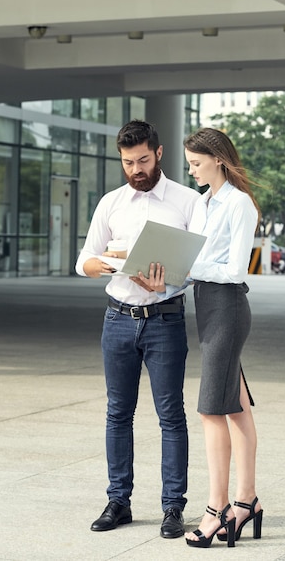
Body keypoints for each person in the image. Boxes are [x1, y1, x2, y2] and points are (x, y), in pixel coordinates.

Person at [137, 127, 264, 549]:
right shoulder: (206, 203)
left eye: (195, 163)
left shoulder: (239, 204)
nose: (190, 170)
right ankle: (247, 501)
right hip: (207, 308)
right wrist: (166, 282)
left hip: (227, 308)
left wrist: (189, 268)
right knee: (237, 405)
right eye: (189, 164)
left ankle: (217, 510)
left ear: (218, 160)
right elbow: (196, 268)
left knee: (212, 409)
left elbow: (235, 270)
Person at [75, 119, 199, 538]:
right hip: (117, 319)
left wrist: (170, 280)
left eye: (142, 160)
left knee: (170, 416)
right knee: (117, 414)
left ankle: (172, 507)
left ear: (159, 154)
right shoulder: (111, 203)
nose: (135, 169)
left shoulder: (186, 202)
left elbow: (195, 267)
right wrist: (111, 264)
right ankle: (118, 501)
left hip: (165, 319)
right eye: (128, 162)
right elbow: (85, 260)